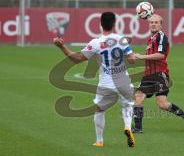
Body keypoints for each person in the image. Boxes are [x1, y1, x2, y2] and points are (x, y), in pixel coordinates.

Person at [53, 12, 136, 147]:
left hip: (106, 83)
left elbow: (77, 58)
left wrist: (61, 46)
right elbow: (132, 60)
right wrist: (130, 57)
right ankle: (127, 126)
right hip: (123, 81)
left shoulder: (96, 43)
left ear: (100, 25)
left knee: (99, 110)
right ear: (115, 24)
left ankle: (99, 141)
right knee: (127, 105)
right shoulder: (122, 40)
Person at [133, 14, 184, 133]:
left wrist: (141, 56)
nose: (153, 24)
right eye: (151, 22)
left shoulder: (161, 37)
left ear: (161, 25)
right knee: (138, 98)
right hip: (148, 75)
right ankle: (138, 128)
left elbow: (160, 55)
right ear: (148, 24)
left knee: (162, 104)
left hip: (159, 74)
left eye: (156, 22)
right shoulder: (150, 39)